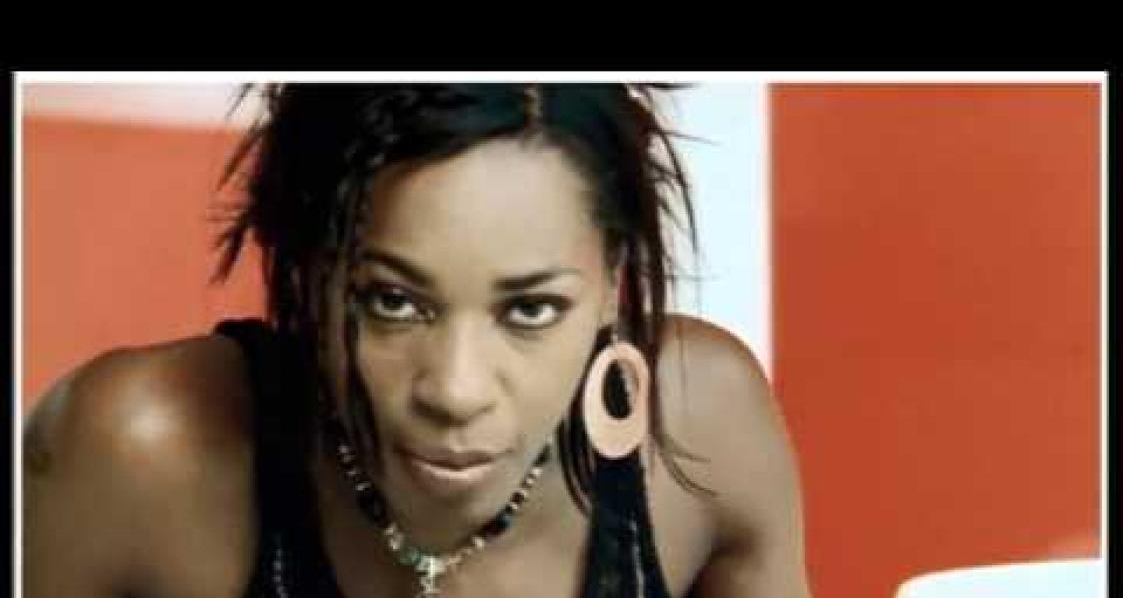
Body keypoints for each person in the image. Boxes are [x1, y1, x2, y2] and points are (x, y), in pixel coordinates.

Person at [23, 83, 812, 597]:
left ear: (612, 281)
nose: (455, 390)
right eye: (393, 302)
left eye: (531, 310)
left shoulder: (699, 435)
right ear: (308, 268)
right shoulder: (140, 455)